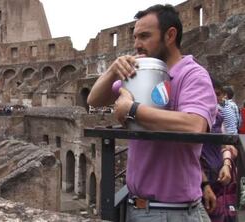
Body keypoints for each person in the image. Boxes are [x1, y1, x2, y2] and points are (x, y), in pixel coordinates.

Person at [87, 4, 217, 222]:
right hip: (136, 206)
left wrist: (133, 109)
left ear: (170, 35)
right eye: (135, 37)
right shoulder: (139, 72)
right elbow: (94, 99)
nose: (137, 44)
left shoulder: (193, 75)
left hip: (173, 211)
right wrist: (112, 70)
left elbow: (195, 125)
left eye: (145, 36)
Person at [201, 79, 238, 221]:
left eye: (218, 94)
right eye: (213, 93)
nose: (216, 98)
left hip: (217, 174)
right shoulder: (196, 117)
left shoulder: (218, 114)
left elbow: (226, 145)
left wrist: (226, 164)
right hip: (200, 178)